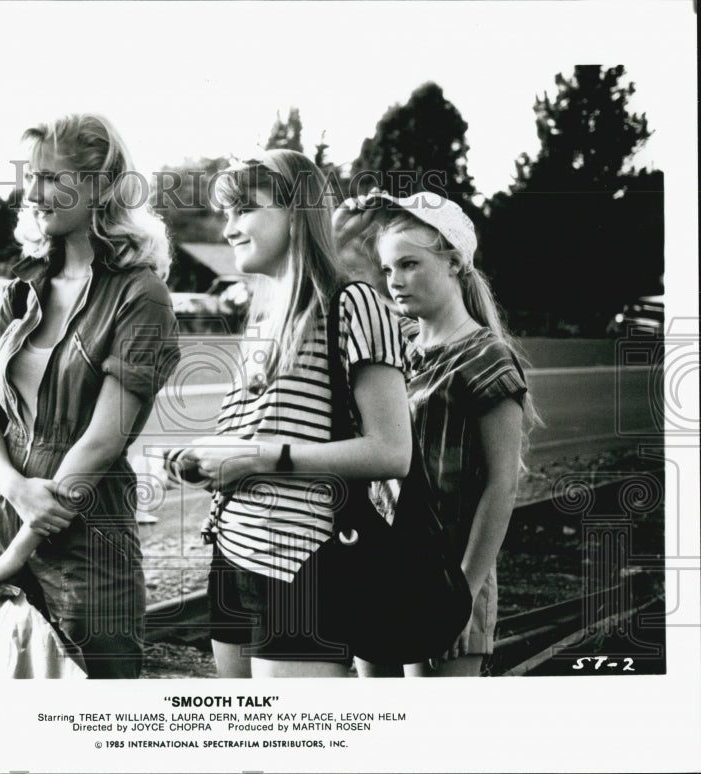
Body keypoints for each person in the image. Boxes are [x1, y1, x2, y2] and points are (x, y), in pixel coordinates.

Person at [166, 151, 412, 678]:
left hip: (301, 560)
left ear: (297, 214)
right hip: (233, 550)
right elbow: (257, 436)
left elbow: (392, 452)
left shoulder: (353, 305)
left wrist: (256, 458)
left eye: (244, 210)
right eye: (225, 213)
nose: (229, 228)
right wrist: (202, 458)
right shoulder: (267, 316)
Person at [0, 113, 180, 679]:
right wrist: (14, 491)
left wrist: (21, 547)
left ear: (103, 186)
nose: (33, 192)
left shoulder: (141, 295)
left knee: (89, 723)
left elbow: (103, 441)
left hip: (83, 544)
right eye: (31, 176)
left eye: (53, 178)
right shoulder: (20, 286)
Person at [346, 189, 538, 677]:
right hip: (383, 567)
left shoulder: (487, 357)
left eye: (409, 265)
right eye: (388, 270)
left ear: (453, 263)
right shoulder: (397, 348)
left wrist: (464, 593)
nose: (395, 282)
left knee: (434, 740)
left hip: (448, 571)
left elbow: (502, 486)